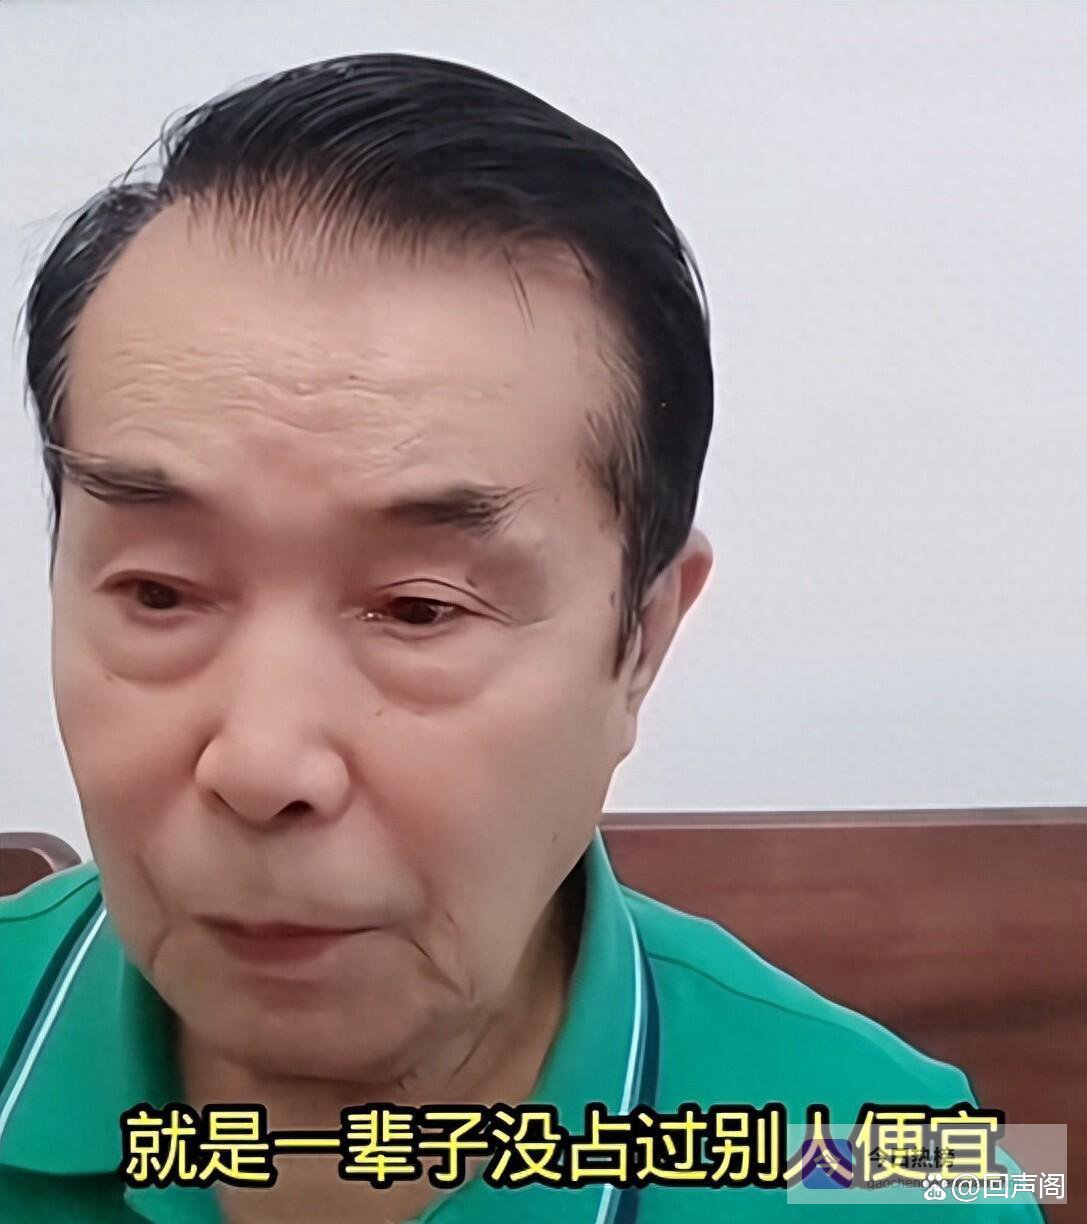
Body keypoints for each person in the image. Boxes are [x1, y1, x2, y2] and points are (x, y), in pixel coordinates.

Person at [0, 53, 1042, 1223]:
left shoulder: (892, 1172)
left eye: (420, 609)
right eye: (158, 594)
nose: (260, 764)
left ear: (639, 641)